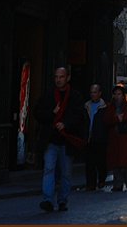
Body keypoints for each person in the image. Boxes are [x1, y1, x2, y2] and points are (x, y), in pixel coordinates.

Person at [35, 66, 87, 212]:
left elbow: (79, 116)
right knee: (49, 169)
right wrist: (52, 113)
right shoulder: (48, 95)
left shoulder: (75, 96)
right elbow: (37, 112)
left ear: (68, 78)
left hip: (66, 140)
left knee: (66, 173)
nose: (58, 80)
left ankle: (62, 200)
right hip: (51, 139)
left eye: (61, 77)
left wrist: (66, 124)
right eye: (56, 77)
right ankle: (48, 199)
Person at [105, 84, 127, 192]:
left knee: (125, 163)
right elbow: (106, 119)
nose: (117, 96)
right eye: (115, 94)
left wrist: (123, 118)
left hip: (126, 137)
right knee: (116, 162)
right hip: (115, 137)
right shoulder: (111, 106)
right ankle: (118, 184)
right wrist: (117, 119)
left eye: (119, 94)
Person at [84, 83, 109, 191]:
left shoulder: (105, 107)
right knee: (89, 162)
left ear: (99, 93)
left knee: (100, 161)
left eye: (95, 92)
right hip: (88, 137)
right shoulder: (86, 106)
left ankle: (101, 179)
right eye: (91, 92)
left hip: (100, 137)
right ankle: (91, 183)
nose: (93, 94)